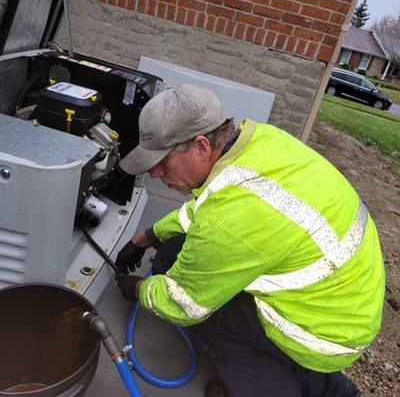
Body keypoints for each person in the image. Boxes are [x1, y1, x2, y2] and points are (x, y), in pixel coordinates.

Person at [115, 84, 385, 397]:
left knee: (211, 313)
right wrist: (146, 238)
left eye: (162, 160)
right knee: (174, 253)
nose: (155, 173)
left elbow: (184, 303)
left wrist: (136, 288)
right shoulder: (260, 142)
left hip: (322, 334)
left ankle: (261, 387)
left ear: (202, 146)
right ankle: (335, 392)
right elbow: (204, 210)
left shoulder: (231, 218)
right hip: (342, 307)